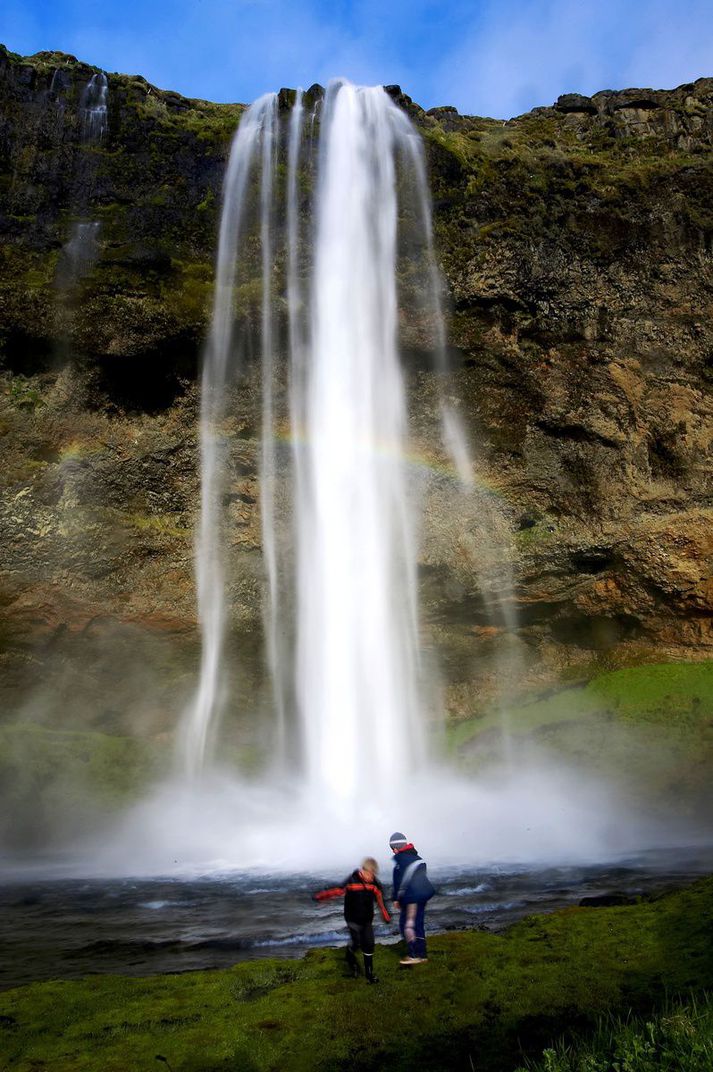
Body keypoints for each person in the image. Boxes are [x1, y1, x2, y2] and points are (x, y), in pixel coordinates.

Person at [313, 856, 391, 984]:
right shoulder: (352, 880)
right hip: (352, 918)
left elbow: (381, 900)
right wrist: (320, 896)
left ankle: (369, 975)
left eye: (373, 875)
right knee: (357, 943)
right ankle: (352, 961)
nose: (371, 877)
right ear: (362, 870)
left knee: (369, 944)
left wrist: (385, 915)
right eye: (369, 874)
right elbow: (337, 890)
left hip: (367, 919)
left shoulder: (375, 884)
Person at [389, 831, 435, 966]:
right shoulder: (417, 858)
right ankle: (422, 954)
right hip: (423, 895)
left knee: (407, 925)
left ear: (395, 848)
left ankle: (414, 955)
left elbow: (399, 882)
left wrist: (396, 899)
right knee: (418, 923)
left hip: (412, 898)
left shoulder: (401, 862)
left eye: (392, 849)